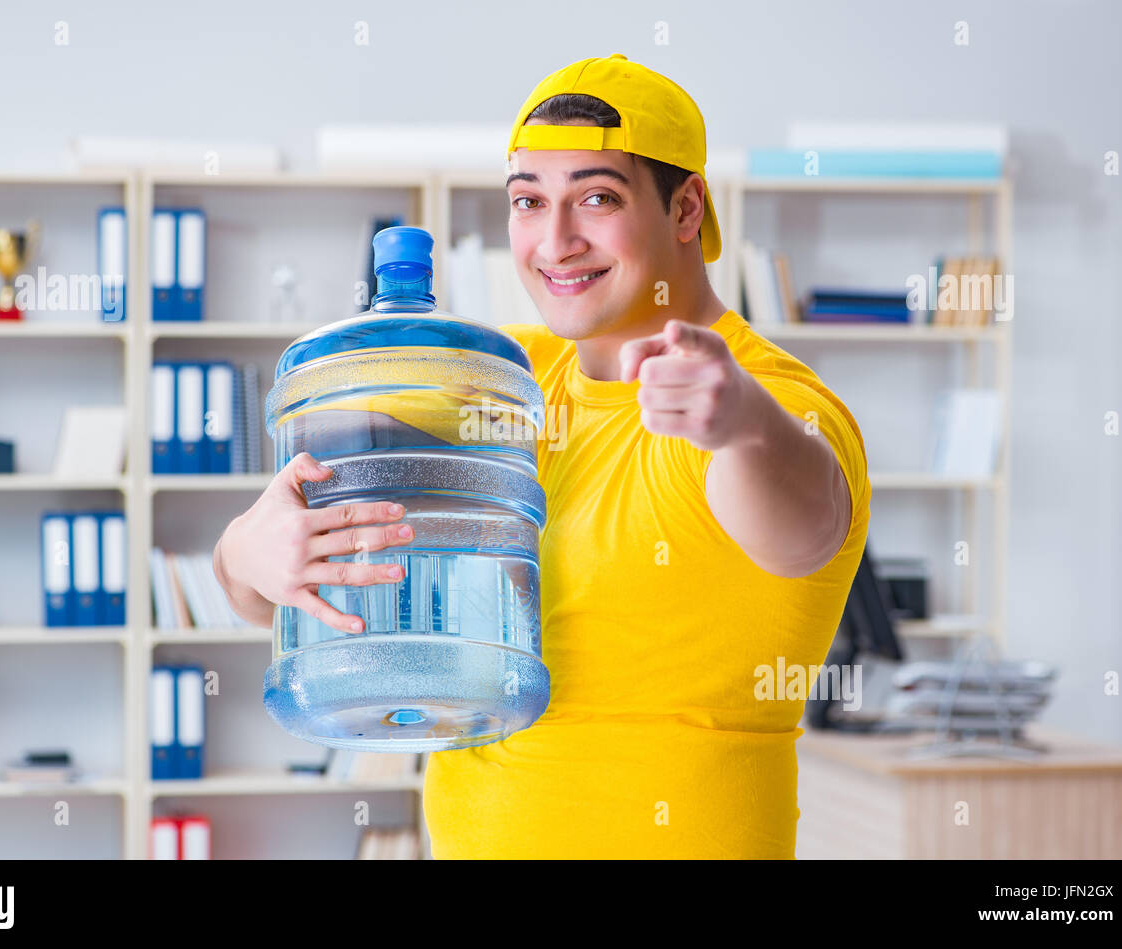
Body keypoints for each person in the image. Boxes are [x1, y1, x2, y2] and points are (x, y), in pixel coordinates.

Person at [214, 53, 871, 858]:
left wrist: (740, 423)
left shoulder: (773, 403)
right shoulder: (497, 383)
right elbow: (280, 575)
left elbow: (807, 526)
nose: (555, 242)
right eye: (529, 201)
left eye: (597, 197)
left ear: (686, 207)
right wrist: (249, 553)